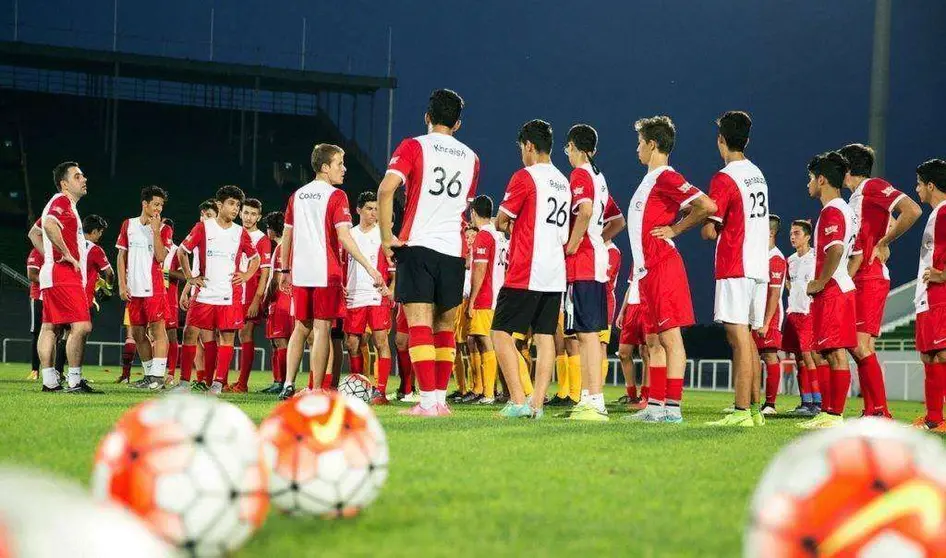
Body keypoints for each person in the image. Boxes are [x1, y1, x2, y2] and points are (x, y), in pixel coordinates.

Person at [377, 89, 480, 416]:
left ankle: (426, 402)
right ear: (458, 123)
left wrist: (385, 237)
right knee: (445, 328)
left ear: (427, 116)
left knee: (419, 322)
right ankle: (439, 400)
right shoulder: (472, 158)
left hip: (418, 243)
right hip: (453, 250)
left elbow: (385, 189)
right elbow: (464, 205)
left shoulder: (413, 146)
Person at [627, 116, 716, 423]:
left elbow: (707, 205)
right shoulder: (650, 180)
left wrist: (676, 229)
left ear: (652, 144)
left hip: (663, 266)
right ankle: (654, 409)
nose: (636, 148)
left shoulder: (666, 176)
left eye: (640, 142)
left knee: (671, 340)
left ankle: (673, 411)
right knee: (653, 342)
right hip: (646, 271)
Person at [277, 144, 382, 400]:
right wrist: (370, 267)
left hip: (301, 272)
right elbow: (344, 236)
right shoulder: (337, 196)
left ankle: (287, 384)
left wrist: (284, 268)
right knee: (322, 329)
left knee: (300, 327)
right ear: (325, 168)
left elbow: (286, 235)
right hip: (326, 272)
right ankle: (316, 390)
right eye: (339, 164)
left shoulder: (297, 195)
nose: (344, 169)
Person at [490, 119, 570, 419]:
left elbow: (501, 220)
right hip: (554, 271)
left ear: (529, 146)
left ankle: (517, 399)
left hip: (526, 268)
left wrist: (511, 223)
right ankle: (537, 404)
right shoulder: (563, 181)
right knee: (545, 337)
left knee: (499, 332)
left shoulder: (525, 177)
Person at [699, 111, 771, 428]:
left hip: (735, 263)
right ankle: (753, 409)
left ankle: (742, 411)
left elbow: (711, 230)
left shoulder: (725, 177)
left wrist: (701, 221)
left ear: (721, 140)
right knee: (747, 338)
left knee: (738, 335)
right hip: (758, 263)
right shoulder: (758, 174)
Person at [839, 143, 921, 417]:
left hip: (869, 276)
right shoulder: (856, 198)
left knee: (859, 346)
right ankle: (874, 411)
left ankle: (880, 413)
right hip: (861, 275)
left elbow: (911, 210)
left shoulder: (872, 186)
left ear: (848, 168)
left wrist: (885, 241)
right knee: (861, 347)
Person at [177, 185, 260, 395]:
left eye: (237, 205)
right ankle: (184, 383)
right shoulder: (203, 227)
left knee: (227, 338)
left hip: (229, 296)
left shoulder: (240, 232)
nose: (235, 209)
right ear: (219, 204)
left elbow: (255, 258)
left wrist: (246, 276)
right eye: (231, 203)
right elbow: (182, 251)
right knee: (189, 334)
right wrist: (189, 277)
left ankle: (217, 384)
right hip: (204, 293)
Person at [797, 152, 858, 430]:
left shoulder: (833, 209)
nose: (808, 183)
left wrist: (821, 281)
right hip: (837, 287)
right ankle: (830, 412)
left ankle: (834, 415)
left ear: (821, 179)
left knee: (835, 354)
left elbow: (836, 249)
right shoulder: (842, 209)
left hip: (833, 289)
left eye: (811, 178)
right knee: (826, 353)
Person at [27, 161, 98, 393]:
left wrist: (49, 254)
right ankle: (75, 381)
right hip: (63, 274)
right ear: (64, 184)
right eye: (78, 176)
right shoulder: (61, 201)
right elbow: (47, 225)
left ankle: (49, 381)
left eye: (83, 175)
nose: (84, 179)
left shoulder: (65, 205)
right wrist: (65, 254)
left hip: (53, 273)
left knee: (50, 327)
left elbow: (33, 232)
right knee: (82, 326)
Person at [559, 124, 614, 421]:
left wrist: (574, 243)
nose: (566, 154)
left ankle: (593, 400)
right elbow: (616, 220)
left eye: (567, 148)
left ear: (575, 148)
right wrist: (597, 240)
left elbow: (587, 210)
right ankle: (591, 398)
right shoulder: (599, 177)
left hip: (583, 264)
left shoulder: (580, 174)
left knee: (586, 336)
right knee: (588, 335)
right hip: (596, 261)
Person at [116, 186, 173, 390]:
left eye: (161, 205)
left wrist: (156, 230)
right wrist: (122, 284)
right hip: (134, 289)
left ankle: (158, 376)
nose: (159, 209)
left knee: (158, 330)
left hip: (154, 287)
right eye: (156, 204)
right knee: (138, 334)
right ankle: (150, 376)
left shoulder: (165, 228)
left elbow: (160, 257)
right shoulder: (128, 225)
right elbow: (121, 256)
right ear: (145, 204)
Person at [343, 191, 396, 404]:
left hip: (376, 296)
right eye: (369, 209)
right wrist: (340, 285)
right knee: (352, 344)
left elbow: (399, 267)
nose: (374, 213)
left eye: (376, 209)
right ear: (358, 210)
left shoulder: (385, 236)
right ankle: (361, 386)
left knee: (381, 341)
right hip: (353, 295)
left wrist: (391, 289)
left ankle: (381, 392)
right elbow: (340, 263)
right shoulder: (348, 235)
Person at [912, 158, 946, 431]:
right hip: (927, 295)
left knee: (942, 354)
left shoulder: (945, 212)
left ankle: (936, 418)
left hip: (940, 294)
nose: (917, 189)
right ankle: (934, 419)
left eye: (919, 184)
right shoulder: (936, 214)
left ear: (931, 185)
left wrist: (943, 275)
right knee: (930, 356)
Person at [465, 195, 507, 407]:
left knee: (485, 343)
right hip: (498, 294)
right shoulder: (498, 234)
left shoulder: (483, 236)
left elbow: (480, 270)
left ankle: (488, 393)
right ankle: (489, 391)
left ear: (473, 212)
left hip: (485, 296)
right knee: (489, 343)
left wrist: (472, 300)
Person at [231, 198, 272, 392]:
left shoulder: (262, 239)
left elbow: (264, 273)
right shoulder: (233, 233)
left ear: (259, 217)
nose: (249, 217)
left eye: (253, 214)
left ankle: (242, 384)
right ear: (240, 213)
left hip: (250, 294)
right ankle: (219, 380)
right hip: (230, 292)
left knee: (244, 333)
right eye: (246, 212)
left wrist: (257, 299)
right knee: (226, 334)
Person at [783, 219, 822, 416]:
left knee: (809, 357)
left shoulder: (816, 257)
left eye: (797, 233)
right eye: (791, 233)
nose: (792, 237)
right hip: (793, 312)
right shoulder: (789, 260)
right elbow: (789, 282)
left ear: (807, 236)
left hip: (808, 312)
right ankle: (805, 401)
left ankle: (818, 402)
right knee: (798, 359)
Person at [755, 215, 787, 415]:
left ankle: (770, 404)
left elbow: (774, 293)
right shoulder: (759, 256)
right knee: (750, 356)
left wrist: (766, 322)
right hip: (754, 315)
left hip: (770, 316)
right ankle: (748, 401)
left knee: (769, 356)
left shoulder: (776, 258)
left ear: (771, 232)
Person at [261, 211, 291, 394]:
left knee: (281, 342)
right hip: (281, 302)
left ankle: (283, 381)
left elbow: (275, 280)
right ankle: (277, 380)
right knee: (275, 343)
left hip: (281, 302)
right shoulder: (282, 248)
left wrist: (264, 302)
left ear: (271, 230)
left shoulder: (281, 249)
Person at [161, 218, 184, 384]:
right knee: (153, 335)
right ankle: (155, 372)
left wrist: (165, 273)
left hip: (169, 300)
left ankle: (170, 373)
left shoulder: (176, 251)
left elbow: (184, 276)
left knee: (171, 336)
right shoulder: (151, 248)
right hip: (152, 297)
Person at [25, 247, 43, 380]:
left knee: (57, 332)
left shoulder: (57, 249)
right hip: (38, 297)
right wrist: (51, 282)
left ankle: (56, 370)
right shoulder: (36, 251)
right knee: (37, 333)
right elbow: (31, 275)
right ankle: (35, 370)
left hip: (55, 296)